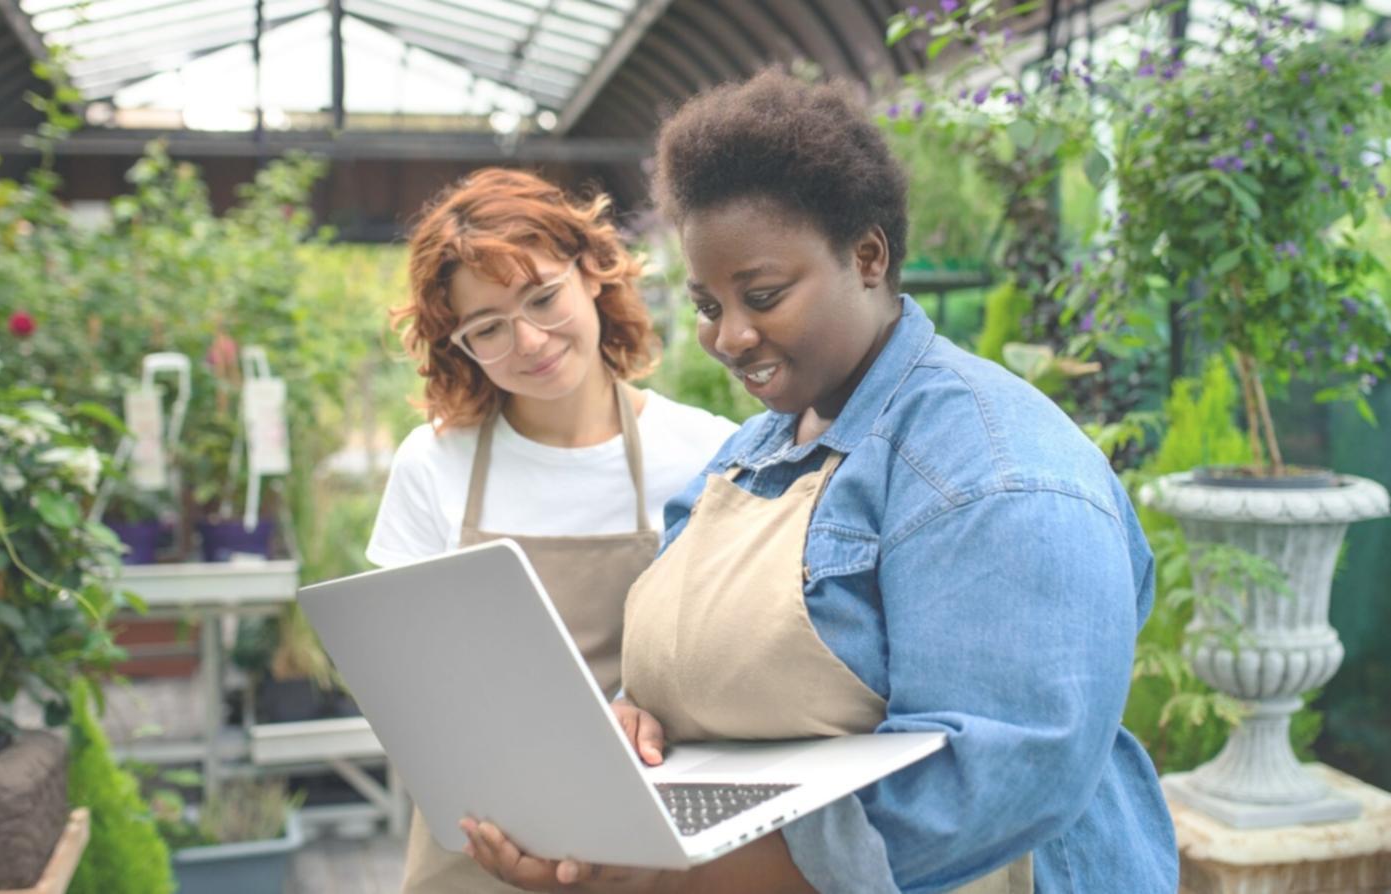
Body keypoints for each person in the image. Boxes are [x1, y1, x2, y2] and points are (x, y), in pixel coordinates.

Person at [461, 72, 1179, 893]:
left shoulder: (995, 470)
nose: (730, 335)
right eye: (705, 304)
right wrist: (629, 735)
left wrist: (661, 873)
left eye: (762, 295)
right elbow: (687, 672)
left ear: (866, 256)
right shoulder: (749, 455)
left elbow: (998, 780)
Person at [367, 168, 739, 894]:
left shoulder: (705, 454)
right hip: (480, 840)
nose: (530, 340)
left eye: (542, 298)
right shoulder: (432, 464)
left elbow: (733, 658)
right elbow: (404, 681)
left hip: (648, 831)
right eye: (488, 329)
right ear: (457, 345)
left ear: (593, 271)